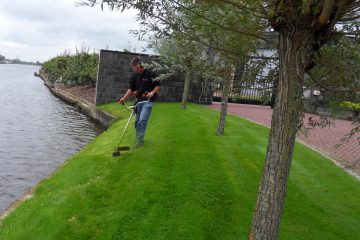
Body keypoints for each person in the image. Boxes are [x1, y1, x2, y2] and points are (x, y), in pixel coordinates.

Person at [119, 56, 161, 147]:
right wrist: (123, 98)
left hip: (148, 101)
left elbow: (158, 86)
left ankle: (139, 141)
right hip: (139, 101)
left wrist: (152, 93)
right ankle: (139, 137)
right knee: (137, 122)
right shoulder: (134, 76)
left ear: (140, 65)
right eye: (134, 69)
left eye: (136, 68)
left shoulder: (150, 73)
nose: (135, 70)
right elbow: (131, 89)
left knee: (142, 120)